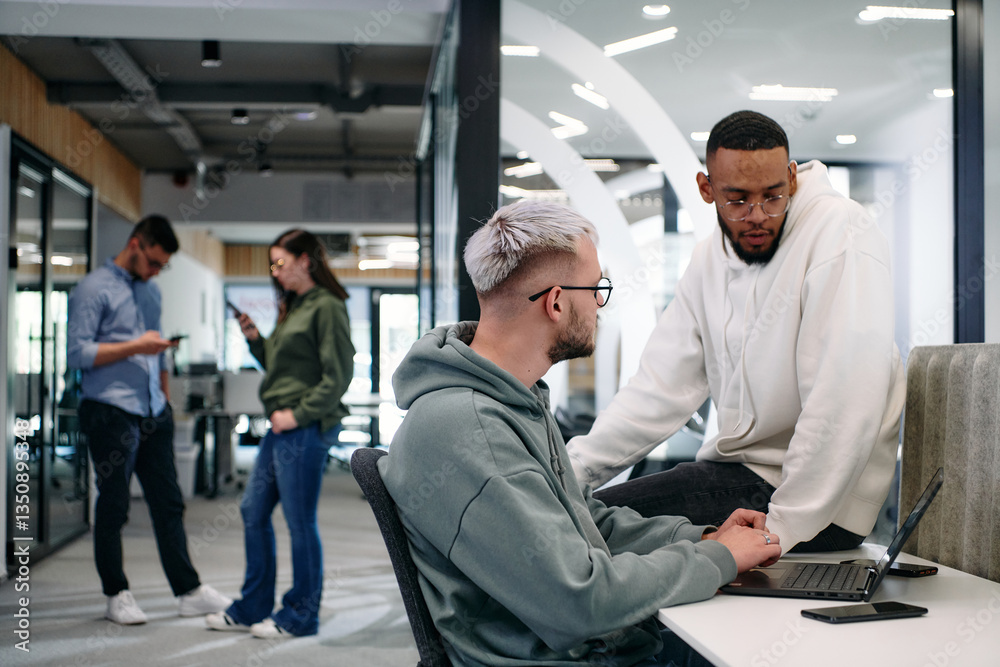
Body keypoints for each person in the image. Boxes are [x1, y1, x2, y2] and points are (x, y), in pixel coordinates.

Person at [379, 200, 781, 666]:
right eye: (596, 288)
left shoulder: (509, 401)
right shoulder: (469, 429)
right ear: (555, 301)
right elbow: (581, 602)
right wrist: (718, 560)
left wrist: (705, 541)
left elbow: (588, 525)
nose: (599, 304)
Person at [567, 110, 906, 555]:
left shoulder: (841, 232)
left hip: (817, 506)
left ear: (793, 179)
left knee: (588, 529)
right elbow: (657, 389)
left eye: (773, 196)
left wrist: (779, 530)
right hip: (740, 479)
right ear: (706, 190)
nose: (758, 216)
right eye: (738, 199)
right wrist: (568, 474)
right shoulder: (710, 259)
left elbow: (844, 398)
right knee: (582, 517)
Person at [68, 215, 231, 625]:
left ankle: (188, 590)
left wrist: (165, 398)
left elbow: (156, 349)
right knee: (115, 504)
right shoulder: (93, 289)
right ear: (136, 244)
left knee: (169, 503)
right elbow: (77, 354)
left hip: (152, 411)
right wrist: (133, 346)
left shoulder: (151, 293)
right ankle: (115, 593)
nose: (157, 271)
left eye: (163, 266)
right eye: (154, 262)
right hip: (109, 409)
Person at [206, 228, 355, 639]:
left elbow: (339, 375)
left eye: (280, 262)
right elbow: (280, 363)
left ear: (305, 260)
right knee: (253, 510)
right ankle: (253, 606)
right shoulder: (295, 305)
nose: (274, 271)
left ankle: (301, 616)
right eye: (272, 265)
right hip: (282, 424)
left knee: (299, 521)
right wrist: (256, 340)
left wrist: (300, 413)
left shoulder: (327, 307)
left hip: (304, 426)